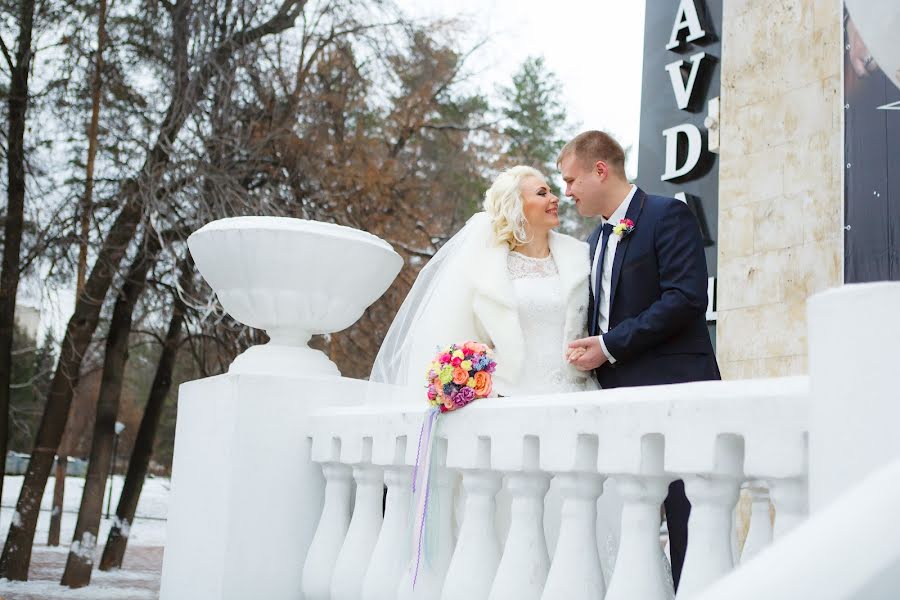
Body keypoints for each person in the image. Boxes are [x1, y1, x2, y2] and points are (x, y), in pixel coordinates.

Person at [562, 130, 721, 592]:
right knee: (629, 520)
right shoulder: (593, 242)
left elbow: (685, 298)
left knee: (688, 518)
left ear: (600, 169)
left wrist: (609, 345)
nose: (568, 191)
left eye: (571, 180)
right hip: (614, 402)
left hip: (675, 391)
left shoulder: (666, 214)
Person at [371, 165, 594, 398]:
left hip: (576, 395)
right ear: (515, 205)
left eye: (550, 191)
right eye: (542, 193)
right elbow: (463, 338)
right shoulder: (486, 269)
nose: (555, 198)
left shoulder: (580, 256)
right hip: (511, 398)